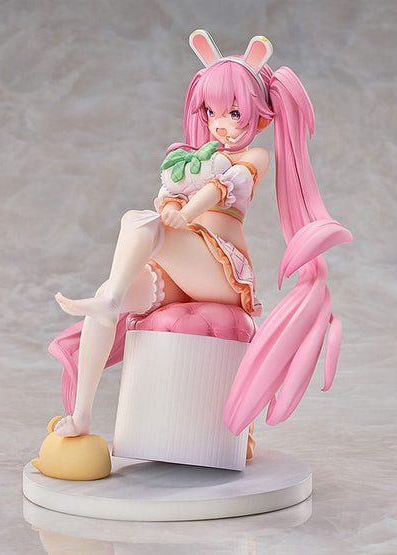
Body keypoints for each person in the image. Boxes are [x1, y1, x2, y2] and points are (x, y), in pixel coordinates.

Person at [51, 30, 352, 438]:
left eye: (234, 113)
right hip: (185, 273)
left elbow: (220, 189)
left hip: (222, 272)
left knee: (142, 224)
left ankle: (109, 301)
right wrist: (172, 207)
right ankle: (82, 413)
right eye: (211, 112)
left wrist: (186, 213)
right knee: (119, 271)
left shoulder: (254, 155)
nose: (220, 125)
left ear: (261, 115)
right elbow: (173, 197)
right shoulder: (196, 157)